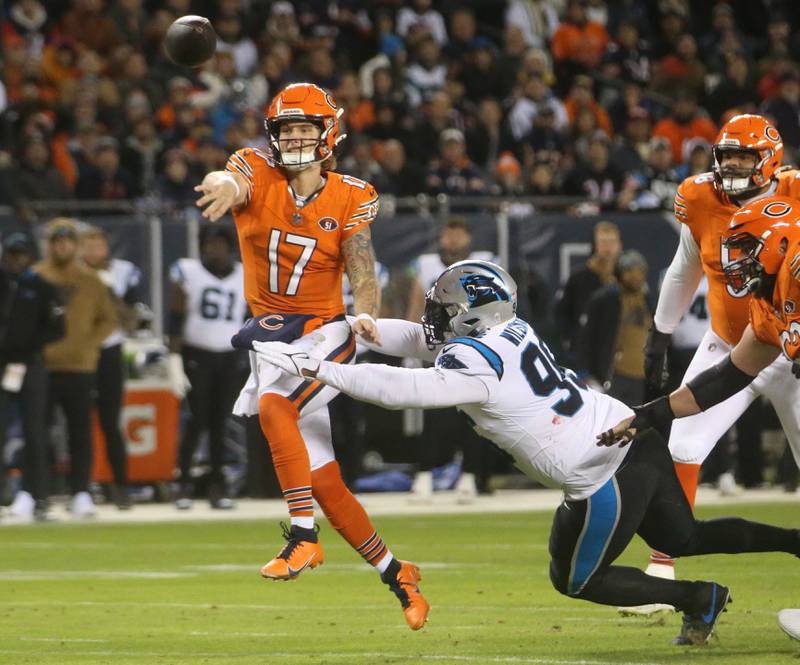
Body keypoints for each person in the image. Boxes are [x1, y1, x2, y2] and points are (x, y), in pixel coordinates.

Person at [255, 259, 800, 648]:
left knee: (576, 580)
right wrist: (353, 329)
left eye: (446, 309)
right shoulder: (506, 329)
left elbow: (405, 390)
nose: (436, 317)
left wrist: (317, 367)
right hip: (632, 434)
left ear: (473, 315)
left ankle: (699, 598)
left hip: (600, 474)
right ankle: (793, 543)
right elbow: (418, 341)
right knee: (685, 536)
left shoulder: (475, 362)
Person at [193, 82, 429, 630]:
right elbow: (229, 177)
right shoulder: (254, 171)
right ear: (272, 136)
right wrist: (219, 184)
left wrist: (366, 312)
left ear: (329, 135)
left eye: (306, 129)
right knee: (323, 479)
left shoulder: (350, 194)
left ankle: (304, 534)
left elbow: (361, 264)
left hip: (325, 332)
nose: (296, 139)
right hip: (271, 340)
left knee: (275, 406)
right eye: (287, 130)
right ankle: (400, 575)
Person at [629, 114, 800, 615]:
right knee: (683, 443)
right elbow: (687, 269)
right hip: (743, 341)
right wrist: (660, 342)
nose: (734, 267)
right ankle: (665, 560)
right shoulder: (702, 201)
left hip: (784, 344)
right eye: (725, 156)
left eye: (744, 157)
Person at [406, 216, 496, 500]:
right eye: (449, 233)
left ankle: (470, 476)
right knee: (433, 414)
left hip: (473, 347)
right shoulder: (426, 265)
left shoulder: (486, 262)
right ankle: (424, 475)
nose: (453, 239)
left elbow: (497, 306)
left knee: (473, 415)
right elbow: (415, 306)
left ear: (468, 237)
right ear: (442, 236)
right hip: (439, 347)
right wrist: (412, 347)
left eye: (459, 233)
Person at [34, 218, 117, 517]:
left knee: (80, 432)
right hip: (42, 365)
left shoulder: (91, 280)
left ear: (76, 245)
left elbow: (109, 319)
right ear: (49, 245)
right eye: (57, 241)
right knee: (37, 432)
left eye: (68, 241)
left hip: (80, 366)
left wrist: (88, 344)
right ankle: (36, 492)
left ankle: (81, 490)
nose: (63, 246)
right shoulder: (35, 276)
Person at [168, 224, 248, 510]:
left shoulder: (244, 274)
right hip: (196, 354)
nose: (215, 250)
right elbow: (175, 316)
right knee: (197, 419)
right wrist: (174, 357)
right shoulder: (188, 271)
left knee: (219, 423)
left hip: (229, 356)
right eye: (210, 244)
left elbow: (251, 318)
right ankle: (183, 484)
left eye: (221, 244)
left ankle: (218, 485)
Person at [1, 233, 65, 522]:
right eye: (11, 254)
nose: (15, 260)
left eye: (21, 254)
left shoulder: (43, 288)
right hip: (3, 365)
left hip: (30, 364)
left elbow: (58, 328)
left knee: (35, 431)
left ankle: (38, 496)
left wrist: (28, 344)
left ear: (30, 256)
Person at [81, 225, 143, 510]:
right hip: (79, 352)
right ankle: (80, 488)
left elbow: (130, 320)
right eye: (88, 244)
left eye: (98, 244)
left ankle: (121, 486)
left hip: (109, 350)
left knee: (111, 421)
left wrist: (106, 294)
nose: (94, 250)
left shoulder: (123, 271)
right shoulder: (72, 273)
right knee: (76, 422)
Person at [576, 250, 652, 404]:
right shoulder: (606, 299)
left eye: (640, 271)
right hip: (614, 375)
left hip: (640, 376)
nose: (636, 276)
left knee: (635, 425)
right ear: (619, 273)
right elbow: (586, 338)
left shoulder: (647, 300)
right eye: (630, 271)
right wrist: (585, 372)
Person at [554, 221, 622, 360]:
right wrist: (572, 342)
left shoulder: (626, 277)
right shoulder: (578, 278)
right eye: (603, 242)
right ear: (595, 245)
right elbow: (561, 314)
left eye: (612, 242)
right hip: (585, 353)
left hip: (619, 355)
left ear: (620, 245)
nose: (608, 247)